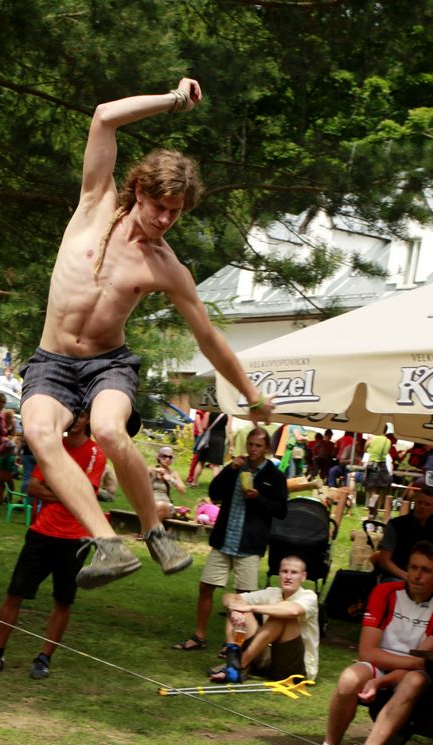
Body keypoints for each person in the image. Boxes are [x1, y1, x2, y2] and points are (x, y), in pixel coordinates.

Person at [19, 78, 271, 592]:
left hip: (107, 364)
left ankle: (155, 533)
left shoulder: (165, 265)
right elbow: (104, 115)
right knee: (39, 434)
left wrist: (248, 391)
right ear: (140, 190)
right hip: (51, 360)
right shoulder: (95, 206)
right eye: (160, 207)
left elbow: (207, 337)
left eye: (177, 213)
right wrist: (175, 101)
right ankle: (107, 544)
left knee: (110, 430)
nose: (166, 220)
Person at [296, 541, 433, 745]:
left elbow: (423, 663)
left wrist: (380, 682)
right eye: (413, 567)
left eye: (426, 570)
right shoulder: (385, 592)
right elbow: (367, 652)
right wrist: (380, 675)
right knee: (348, 678)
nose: (417, 576)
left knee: (415, 681)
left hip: (411, 675)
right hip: (384, 663)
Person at [0, 411, 105, 679]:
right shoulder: (53, 447)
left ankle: (44, 658)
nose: (76, 421)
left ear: (88, 421)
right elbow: (33, 487)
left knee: (63, 600)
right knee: (15, 593)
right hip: (42, 532)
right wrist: (65, 493)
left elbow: (86, 494)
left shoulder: (95, 453)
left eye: (82, 416)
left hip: (75, 539)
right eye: (73, 415)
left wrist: (59, 492)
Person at [173, 428, 288, 651]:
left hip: (250, 544)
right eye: (251, 444)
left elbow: (281, 510)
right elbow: (215, 494)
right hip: (225, 539)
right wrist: (229, 469)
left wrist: (259, 499)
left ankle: (234, 644)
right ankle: (199, 637)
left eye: (258, 446)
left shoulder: (274, 477)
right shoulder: (236, 468)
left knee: (243, 598)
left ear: (267, 449)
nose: (253, 450)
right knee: (206, 587)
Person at [207, 556, 319, 683]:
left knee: (280, 616)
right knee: (237, 609)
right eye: (284, 571)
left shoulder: (309, 596)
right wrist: (235, 608)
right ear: (279, 573)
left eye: (294, 572)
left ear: (303, 576)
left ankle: (238, 667)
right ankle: (233, 663)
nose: (288, 577)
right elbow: (230, 597)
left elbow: (293, 611)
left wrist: (250, 607)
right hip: (267, 659)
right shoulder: (272, 592)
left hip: (296, 667)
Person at [373, 488, 433, 582]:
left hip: (426, 581)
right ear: (414, 503)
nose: (422, 507)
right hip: (396, 577)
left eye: (427, 504)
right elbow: (384, 561)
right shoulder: (396, 525)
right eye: (419, 503)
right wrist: (407, 576)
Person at [190, 410, 229, 487]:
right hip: (219, 439)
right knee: (216, 465)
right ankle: (215, 486)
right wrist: (231, 443)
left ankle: (194, 482)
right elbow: (229, 429)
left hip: (208, 439)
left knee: (201, 462)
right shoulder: (228, 412)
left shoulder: (209, 411)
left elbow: (204, 426)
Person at [149, 445, 186, 524]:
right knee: (156, 507)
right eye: (164, 456)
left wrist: (171, 479)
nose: (167, 459)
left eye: (170, 457)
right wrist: (156, 469)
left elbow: (183, 491)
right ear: (158, 457)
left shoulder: (173, 473)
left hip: (166, 506)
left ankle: (147, 531)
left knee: (162, 506)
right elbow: (140, 471)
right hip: (152, 503)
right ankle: (151, 531)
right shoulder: (152, 471)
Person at [0, 440, 18, 505]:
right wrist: (13, 470)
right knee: (11, 488)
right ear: (12, 449)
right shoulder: (12, 457)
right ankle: (8, 500)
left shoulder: (2, 456)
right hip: (7, 474)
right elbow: (9, 467)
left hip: (1, 474)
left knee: (1, 488)